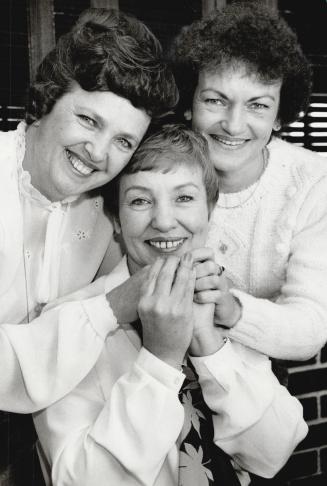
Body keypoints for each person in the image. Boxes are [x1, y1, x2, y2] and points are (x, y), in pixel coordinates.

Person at [34, 125, 307, 486]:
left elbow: (273, 452)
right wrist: (159, 362)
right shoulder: (69, 325)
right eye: (140, 200)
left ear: (210, 211)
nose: (163, 222)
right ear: (116, 219)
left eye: (183, 198)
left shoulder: (225, 305)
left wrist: (209, 344)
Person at [0, 7, 177, 413]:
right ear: (48, 98)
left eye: (123, 142)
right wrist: (110, 308)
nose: (98, 153)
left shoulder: (107, 211)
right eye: (88, 120)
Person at [169, 3, 327, 361]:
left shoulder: (313, 182)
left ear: (279, 116)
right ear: (190, 104)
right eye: (215, 100)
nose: (234, 125)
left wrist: (231, 308)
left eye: (257, 106)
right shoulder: (157, 167)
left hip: (259, 377)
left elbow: (312, 326)